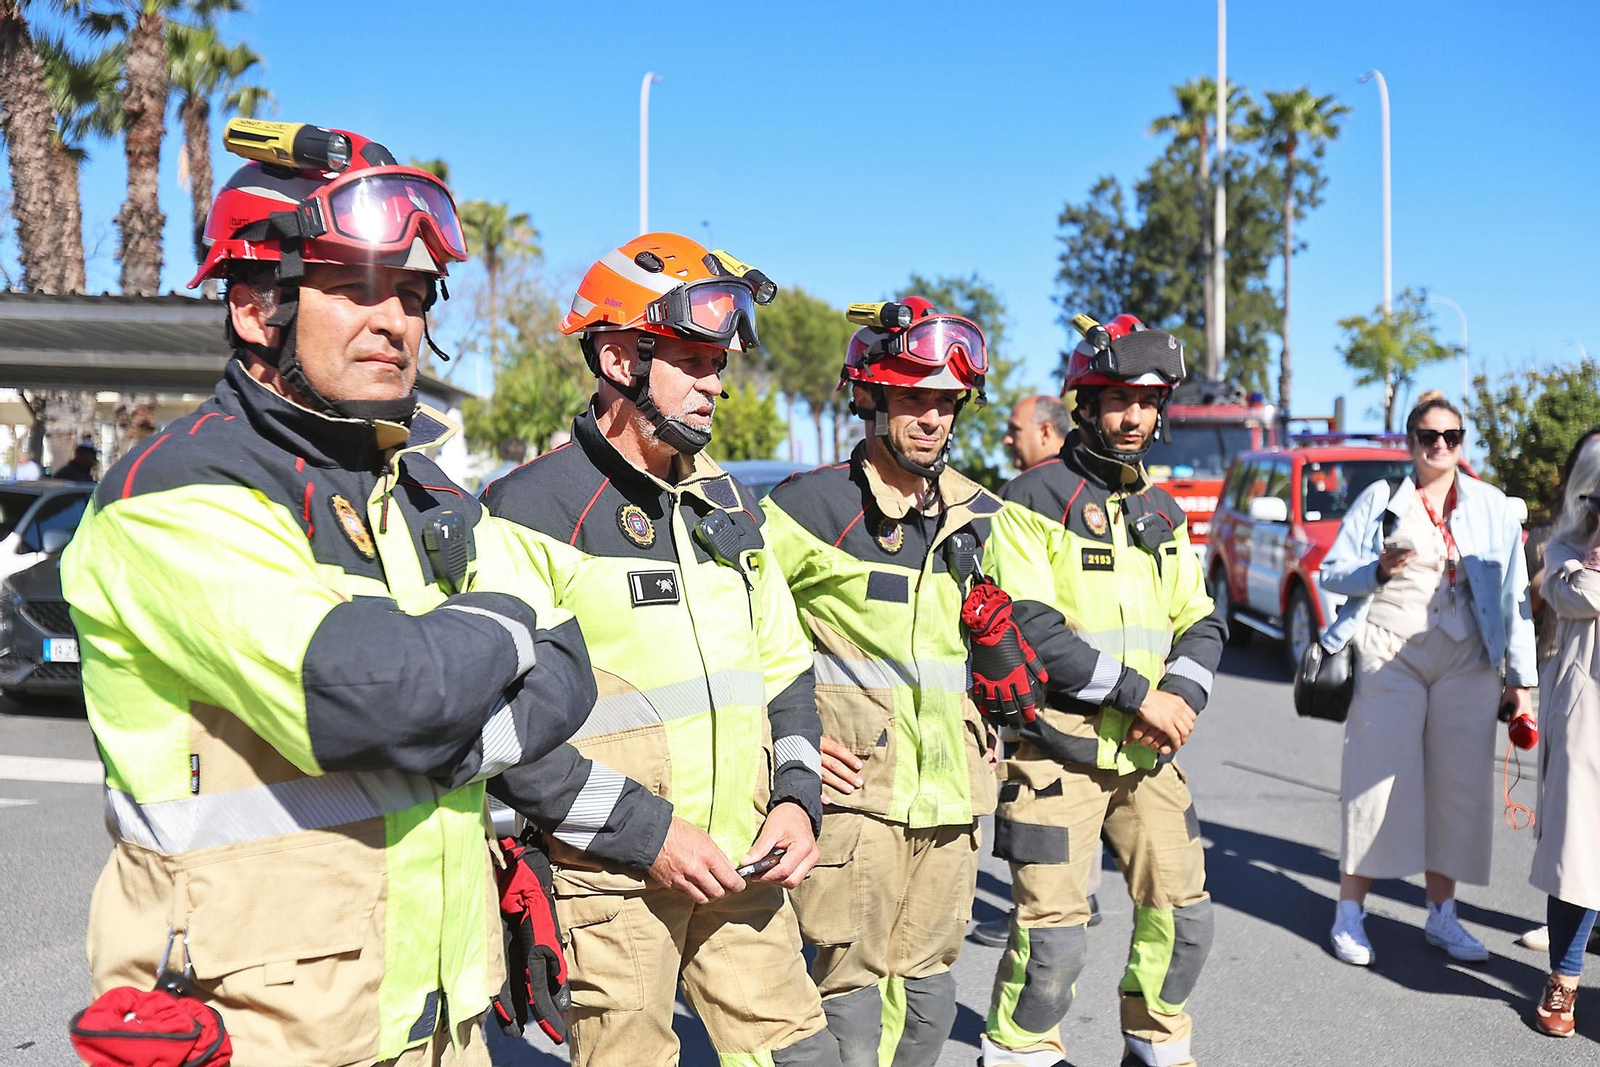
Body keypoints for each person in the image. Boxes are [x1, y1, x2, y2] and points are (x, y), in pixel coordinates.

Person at [60, 123, 599, 1067]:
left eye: (414, 294)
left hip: (446, 1024)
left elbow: (571, 656)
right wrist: (508, 627)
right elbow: (376, 697)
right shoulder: (174, 491)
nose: (397, 321)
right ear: (255, 306)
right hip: (265, 1032)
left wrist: (458, 723)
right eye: (355, 286)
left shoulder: (419, 485)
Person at [482, 232, 841, 1067]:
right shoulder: (526, 509)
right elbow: (501, 731)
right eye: (691, 360)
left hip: (744, 861)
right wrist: (652, 834)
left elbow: (786, 670)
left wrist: (797, 798)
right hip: (609, 881)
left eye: (718, 363)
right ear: (618, 358)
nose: (715, 382)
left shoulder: (729, 502)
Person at [759, 295, 999, 1065]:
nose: (932, 419)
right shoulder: (806, 508)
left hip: (951, 802)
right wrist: (786, 743)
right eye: (914, 399)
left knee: (929, 1005)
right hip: (858, 806)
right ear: (871, 398)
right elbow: (737, 640)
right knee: (850, 1010)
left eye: (946, 402)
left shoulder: (977, 517)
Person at [980, 313, 1224, 1067]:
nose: (1134, 417)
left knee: (1185, 921)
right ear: (1084, 404)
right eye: (1118, 399)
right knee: (1052, 942)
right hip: (1057, 754)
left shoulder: (1163, 509)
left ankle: (1155, 1046)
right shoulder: (1030, 497)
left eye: (1148, 402)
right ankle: (1019, 1053)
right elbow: (1031, 626)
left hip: (1149, 754)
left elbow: (1201, 620)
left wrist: (1178, 700)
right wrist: (1139, 697)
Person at [1319, 390, 1535, 967]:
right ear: (1410, 441)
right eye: (1428, 436)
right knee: (1372, 780)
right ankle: (1349, 913)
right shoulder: (1381, 498)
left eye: (1451, 436)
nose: (1440, 445)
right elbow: (1332, 572)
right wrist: (1376, 569)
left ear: (1462, 442)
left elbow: (1514, 596)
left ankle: (1443, 915)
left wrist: (1520, 680)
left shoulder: (1491, 506)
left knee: (1457, 788)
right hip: (1390, 652)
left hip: (1468, 662)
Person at [974, 392, 1108, 950]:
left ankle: (1047, 909)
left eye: (1015, 428)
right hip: (1079, 688)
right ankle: (1067, 899)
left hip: (1054, 688)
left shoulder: (1038, 496)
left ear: (1048, 433)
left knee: (1046, 802)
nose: (1008, 438)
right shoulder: (1064, 491)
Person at [1526, 432, 1600, 1036]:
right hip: (1585, 715)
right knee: (1577, 848)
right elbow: (1585, 596)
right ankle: (1564, 978)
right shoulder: (1566, 548)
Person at [1003, 394, 1072, 472]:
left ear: (1045, 433)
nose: (1007, 440)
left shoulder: (1031, 479)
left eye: (1015, 430)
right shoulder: (1079, 475)